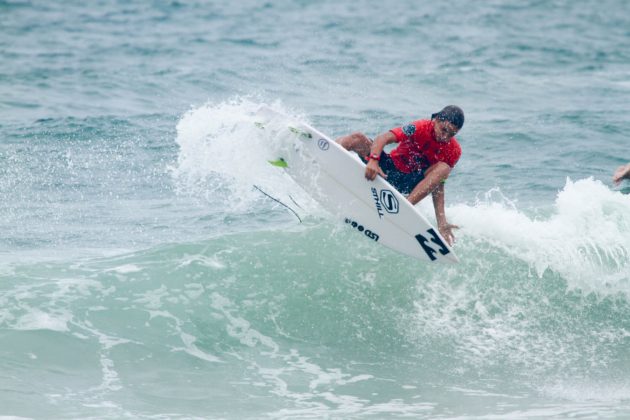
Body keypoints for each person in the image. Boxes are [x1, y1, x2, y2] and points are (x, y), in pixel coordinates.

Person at [337, 105, 464, 245]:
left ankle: (405, 207)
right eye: (444, 129)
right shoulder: (419, 127)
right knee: (357, 138)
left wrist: (442, 222)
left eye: (451, 134)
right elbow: (383, 138)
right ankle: (321, 152)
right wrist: (374, 160)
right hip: (389, 170)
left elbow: (438, 185)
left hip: (412, 183)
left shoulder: (454, 151)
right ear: (436, 120)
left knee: (443, 168)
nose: (445, 136)